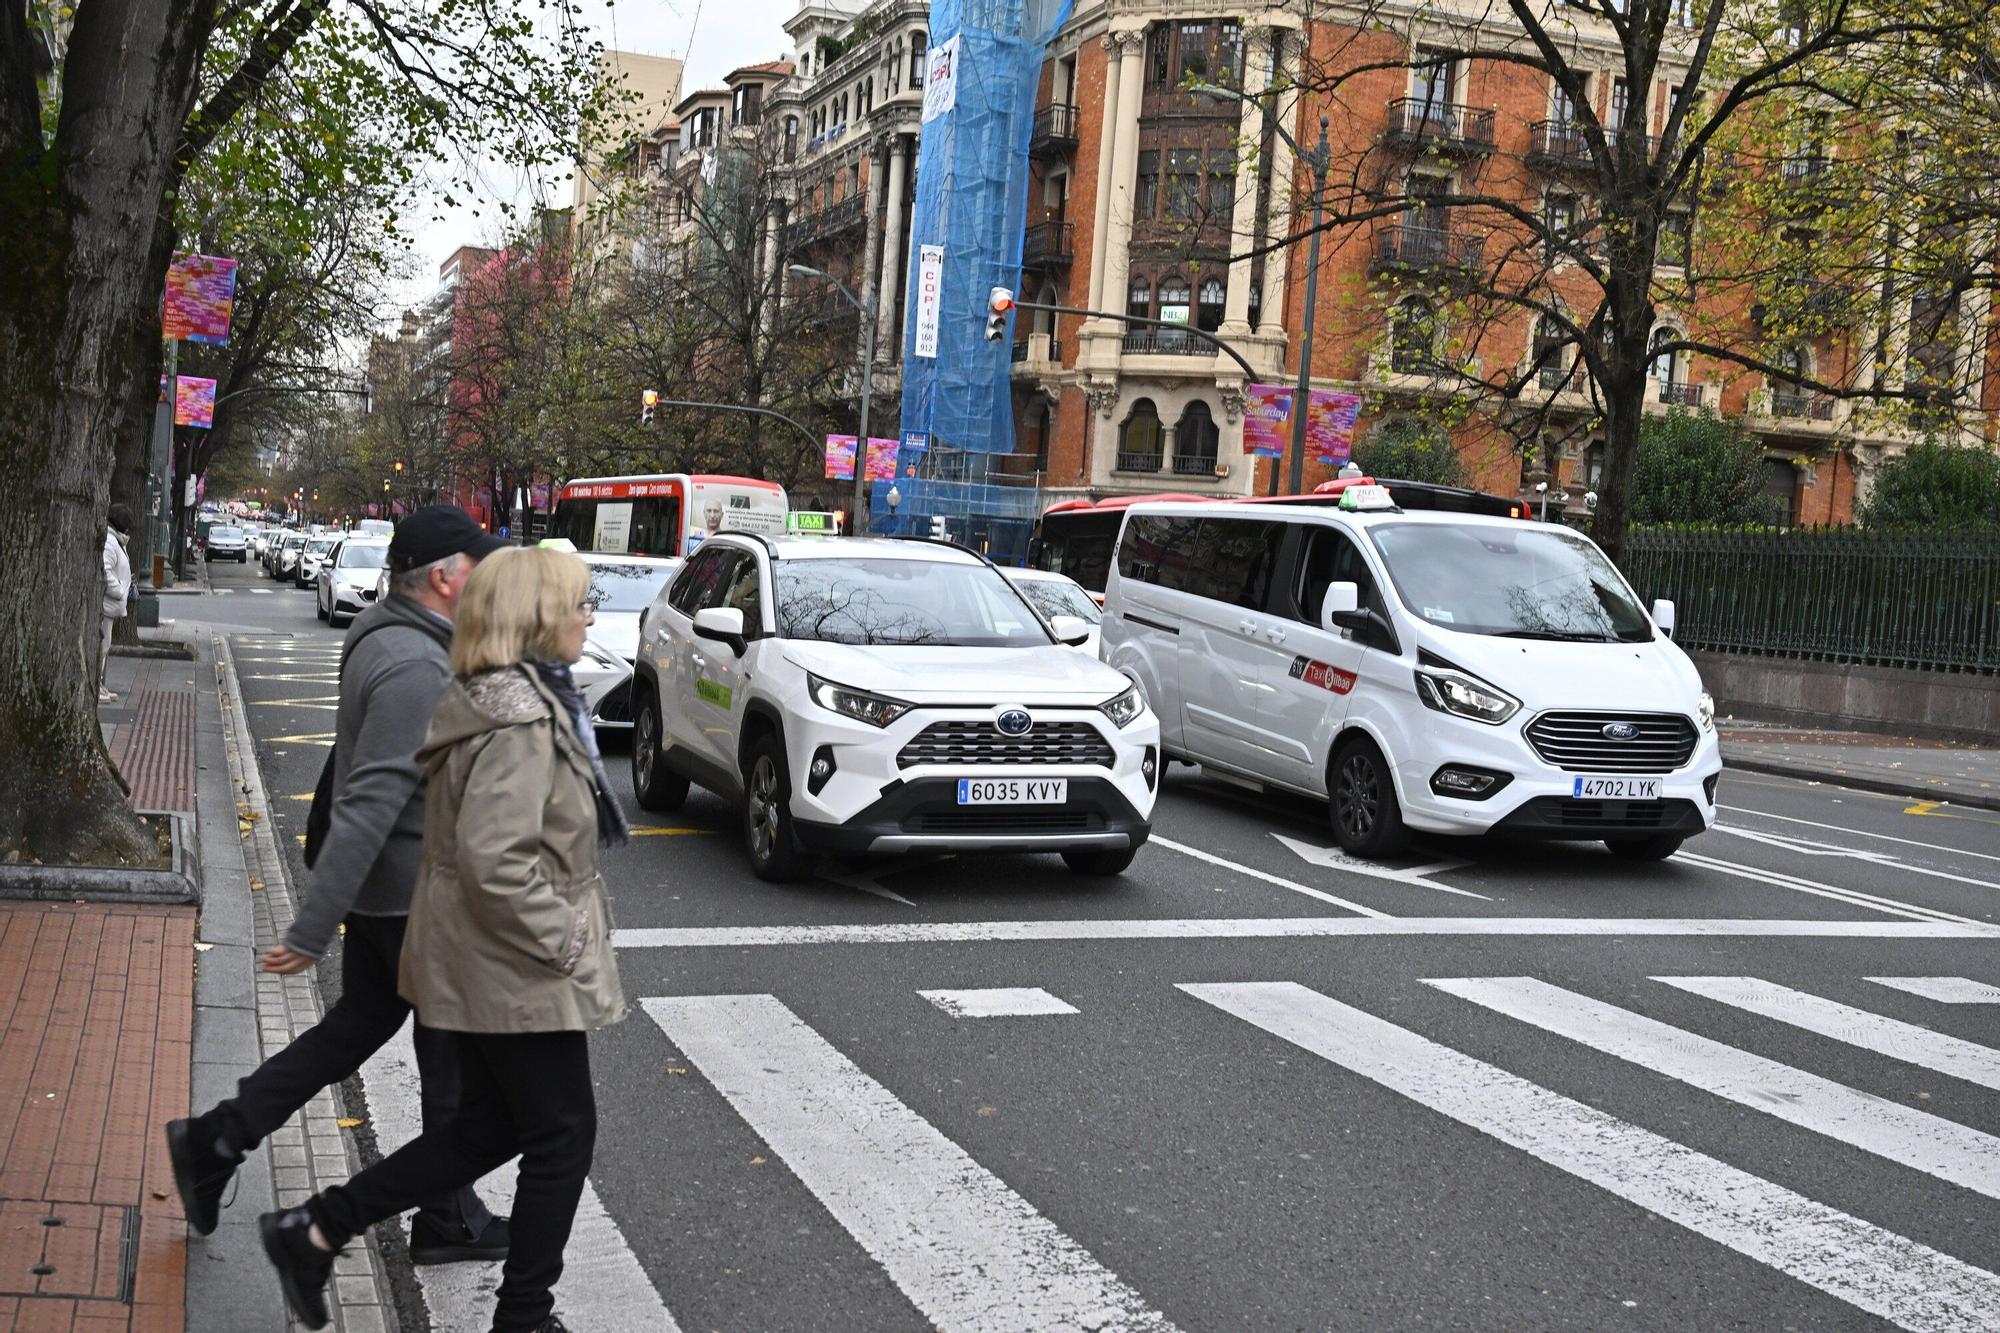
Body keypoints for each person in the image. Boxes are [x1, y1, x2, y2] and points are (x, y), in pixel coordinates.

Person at [260, 545, 627, 1333]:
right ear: (534, 620)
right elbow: (497, 860)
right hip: (515, 966)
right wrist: (563, 937)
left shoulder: (499, 698)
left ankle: (316, 1228)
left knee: (489, 1128)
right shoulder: (521, 719)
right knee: (562, 1137)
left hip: (479, 954)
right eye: (576, 602)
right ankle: (523, 1317)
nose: (588, 615)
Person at [166, 507, 510, 1263]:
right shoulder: (417, 667)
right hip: (415, 901)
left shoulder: (390, 633)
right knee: (454, 1066)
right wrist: (307, 929)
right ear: (447, 577)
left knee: (357, 1028)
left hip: (394, 898)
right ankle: (446, 1217)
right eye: (478, 565)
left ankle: (218, 1137)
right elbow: (368, 804)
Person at [100, 504, 132, 703]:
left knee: (105, 645)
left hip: (110, 604)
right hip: (107, 603)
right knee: (102, 645)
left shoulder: (115, 541)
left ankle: (99, 685)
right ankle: (96, 686)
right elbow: (105, 570)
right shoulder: (111, 542)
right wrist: (119, 591)